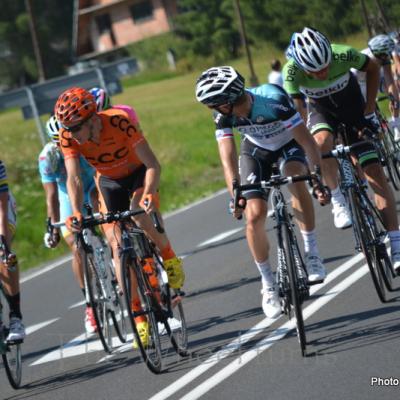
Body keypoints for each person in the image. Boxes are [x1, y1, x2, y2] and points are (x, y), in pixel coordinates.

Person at [195, 66, 330, 319]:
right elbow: (228, 157)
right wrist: (235, 194)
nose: (214, 109)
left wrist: (317, 178)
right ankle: (268, 284)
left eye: (217, 104)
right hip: (255, 152)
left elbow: (307, 142)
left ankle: (312, 253)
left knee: (295, 180)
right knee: (254, 215)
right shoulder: (222, 117)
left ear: (233, 98)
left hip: (289, 145)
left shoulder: (274, 100)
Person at [54, 87, 185, 347]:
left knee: (139, 215)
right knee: (116, 246)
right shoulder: (67, 136)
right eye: (68, 128)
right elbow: (75, 177)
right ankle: (139, 318)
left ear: (92, 119)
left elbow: (153, 165)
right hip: (109, 183)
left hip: (139, 175)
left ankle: (168, 256)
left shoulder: (119, 121)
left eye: (77, 127)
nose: (72, 134)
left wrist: (148, 193)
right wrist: (77, 210)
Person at [282, 27, 400, 272]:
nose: (323, 72)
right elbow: (298, 111)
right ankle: (337, 198)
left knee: (374, 173)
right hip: (321, 111)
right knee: (321, 141)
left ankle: (397, 243)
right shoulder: (291, 71)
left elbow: (373, 68)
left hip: (354, 110)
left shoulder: (344, 54)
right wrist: (305, 147)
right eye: (315, 70)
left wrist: (369, 109)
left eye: (325, 65)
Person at [39, 115, 99, 334]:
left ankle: (119, 259)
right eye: (56, 141)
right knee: (76, 246)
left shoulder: (84, 141)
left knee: (111, 222)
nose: (62, 144)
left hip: (92, 184)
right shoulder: (47, 158)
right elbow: (51, 195)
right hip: (67, 195)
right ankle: (90, 305)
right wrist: (51, 226)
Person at [351, 34, 400, 141]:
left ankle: (397, 127)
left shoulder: (383, 57)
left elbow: (389, 80)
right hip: (361, 82)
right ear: (379, 54)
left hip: (378, 77)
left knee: (396, 98)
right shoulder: (362, 59)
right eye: (386, 55)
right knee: (368, 109)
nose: (388, 57)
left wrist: (393, 97)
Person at [0, 160, 25, 341]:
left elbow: (1, 208)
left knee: (2, 255)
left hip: (2, 209)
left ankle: (16, 316)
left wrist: (4, 244)